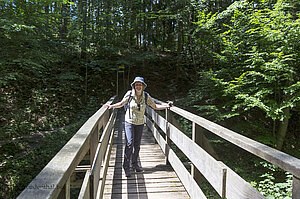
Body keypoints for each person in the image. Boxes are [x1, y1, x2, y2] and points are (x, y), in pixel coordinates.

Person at [104, 77, 172, 177]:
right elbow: (122, 103)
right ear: (134, 86)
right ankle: (126, 167)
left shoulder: (145, 96)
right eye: (136, 85)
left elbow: (155, 106)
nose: (138, 87)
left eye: (140, 85)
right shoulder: (129, 94)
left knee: (137, 145)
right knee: (129, 143)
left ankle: (135, 164)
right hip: (129, 122)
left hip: (140, 123)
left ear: (143, 86)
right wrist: (111, 106)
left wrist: (167, 106)